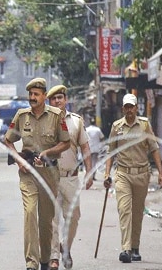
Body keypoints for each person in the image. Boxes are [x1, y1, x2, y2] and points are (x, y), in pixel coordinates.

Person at [2, 78, 70, 270]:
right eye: (30, 94)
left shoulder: (57, 116)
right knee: (30, 213)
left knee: (46, 220)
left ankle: (45, 260)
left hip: (49, 173)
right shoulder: (21, 116)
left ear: (44, 96)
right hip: (28, 173)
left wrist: (48, 153)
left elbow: (66, 142)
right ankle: (31, 263)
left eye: (36, 94)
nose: (32, 98)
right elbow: (8, 140)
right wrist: (19, 159)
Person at [103, 93, 162, 264]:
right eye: (126, 107)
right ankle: (126, 249)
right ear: (123, 108)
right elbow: (111, 151)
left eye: (132, 106)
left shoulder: (144, 125)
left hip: (141, 174)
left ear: (137, 108)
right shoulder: (117, 126)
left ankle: (135, 247)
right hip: (122, 173)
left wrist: (160, 173)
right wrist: (107, 174)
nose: (129, 110)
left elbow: (154, 148)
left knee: (137, 212)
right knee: (124, 210)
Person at [47, 85, 93, 270]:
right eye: (54, 98)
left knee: (73, 218)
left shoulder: (76, 121)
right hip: (50, 179)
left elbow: (86, 148)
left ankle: (65, 247)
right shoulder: (45, 122)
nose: (57, 101)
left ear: (66, 99)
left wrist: (90, 172)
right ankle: (54, 258)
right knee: (53, 219)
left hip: (71, 178)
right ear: (50, 102)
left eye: (60, 97)